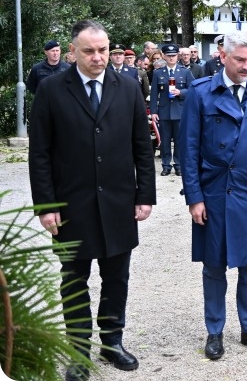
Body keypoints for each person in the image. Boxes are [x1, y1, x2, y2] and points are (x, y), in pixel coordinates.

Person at [28, 20, 156, 381]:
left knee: (117, 278)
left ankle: (112, 342)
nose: (98, 57)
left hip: (118, 203)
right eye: (89, 51)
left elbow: (141, 147)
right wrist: (46, 206)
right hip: (71, 206)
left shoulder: (128, 88)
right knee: (73, 280)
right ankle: (78, 352)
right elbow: (39, 154)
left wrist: (144, 195)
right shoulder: (52, 90)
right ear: (73, 52)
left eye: (103, 49)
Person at [178, 30, 247, 361]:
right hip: (214, 193)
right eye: (240, 60)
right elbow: (188, 148)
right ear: (223, 56)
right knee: (213, 266)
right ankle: (215, 330)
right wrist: (194, 197)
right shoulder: (201, 93)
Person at [150, 44, 195, 176]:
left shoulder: (185, 72)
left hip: (180, 111)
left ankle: (178, 165)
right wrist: (153, 112)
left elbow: (193, 89)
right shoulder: (158, 73)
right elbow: (154, 94)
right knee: (164, 141)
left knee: (179, 140)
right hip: (164, 112)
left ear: (177, 56)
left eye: (174, 56)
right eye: (168, 56)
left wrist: (180, 92)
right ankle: (166, 165)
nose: (171, 58)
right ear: (164, 56)